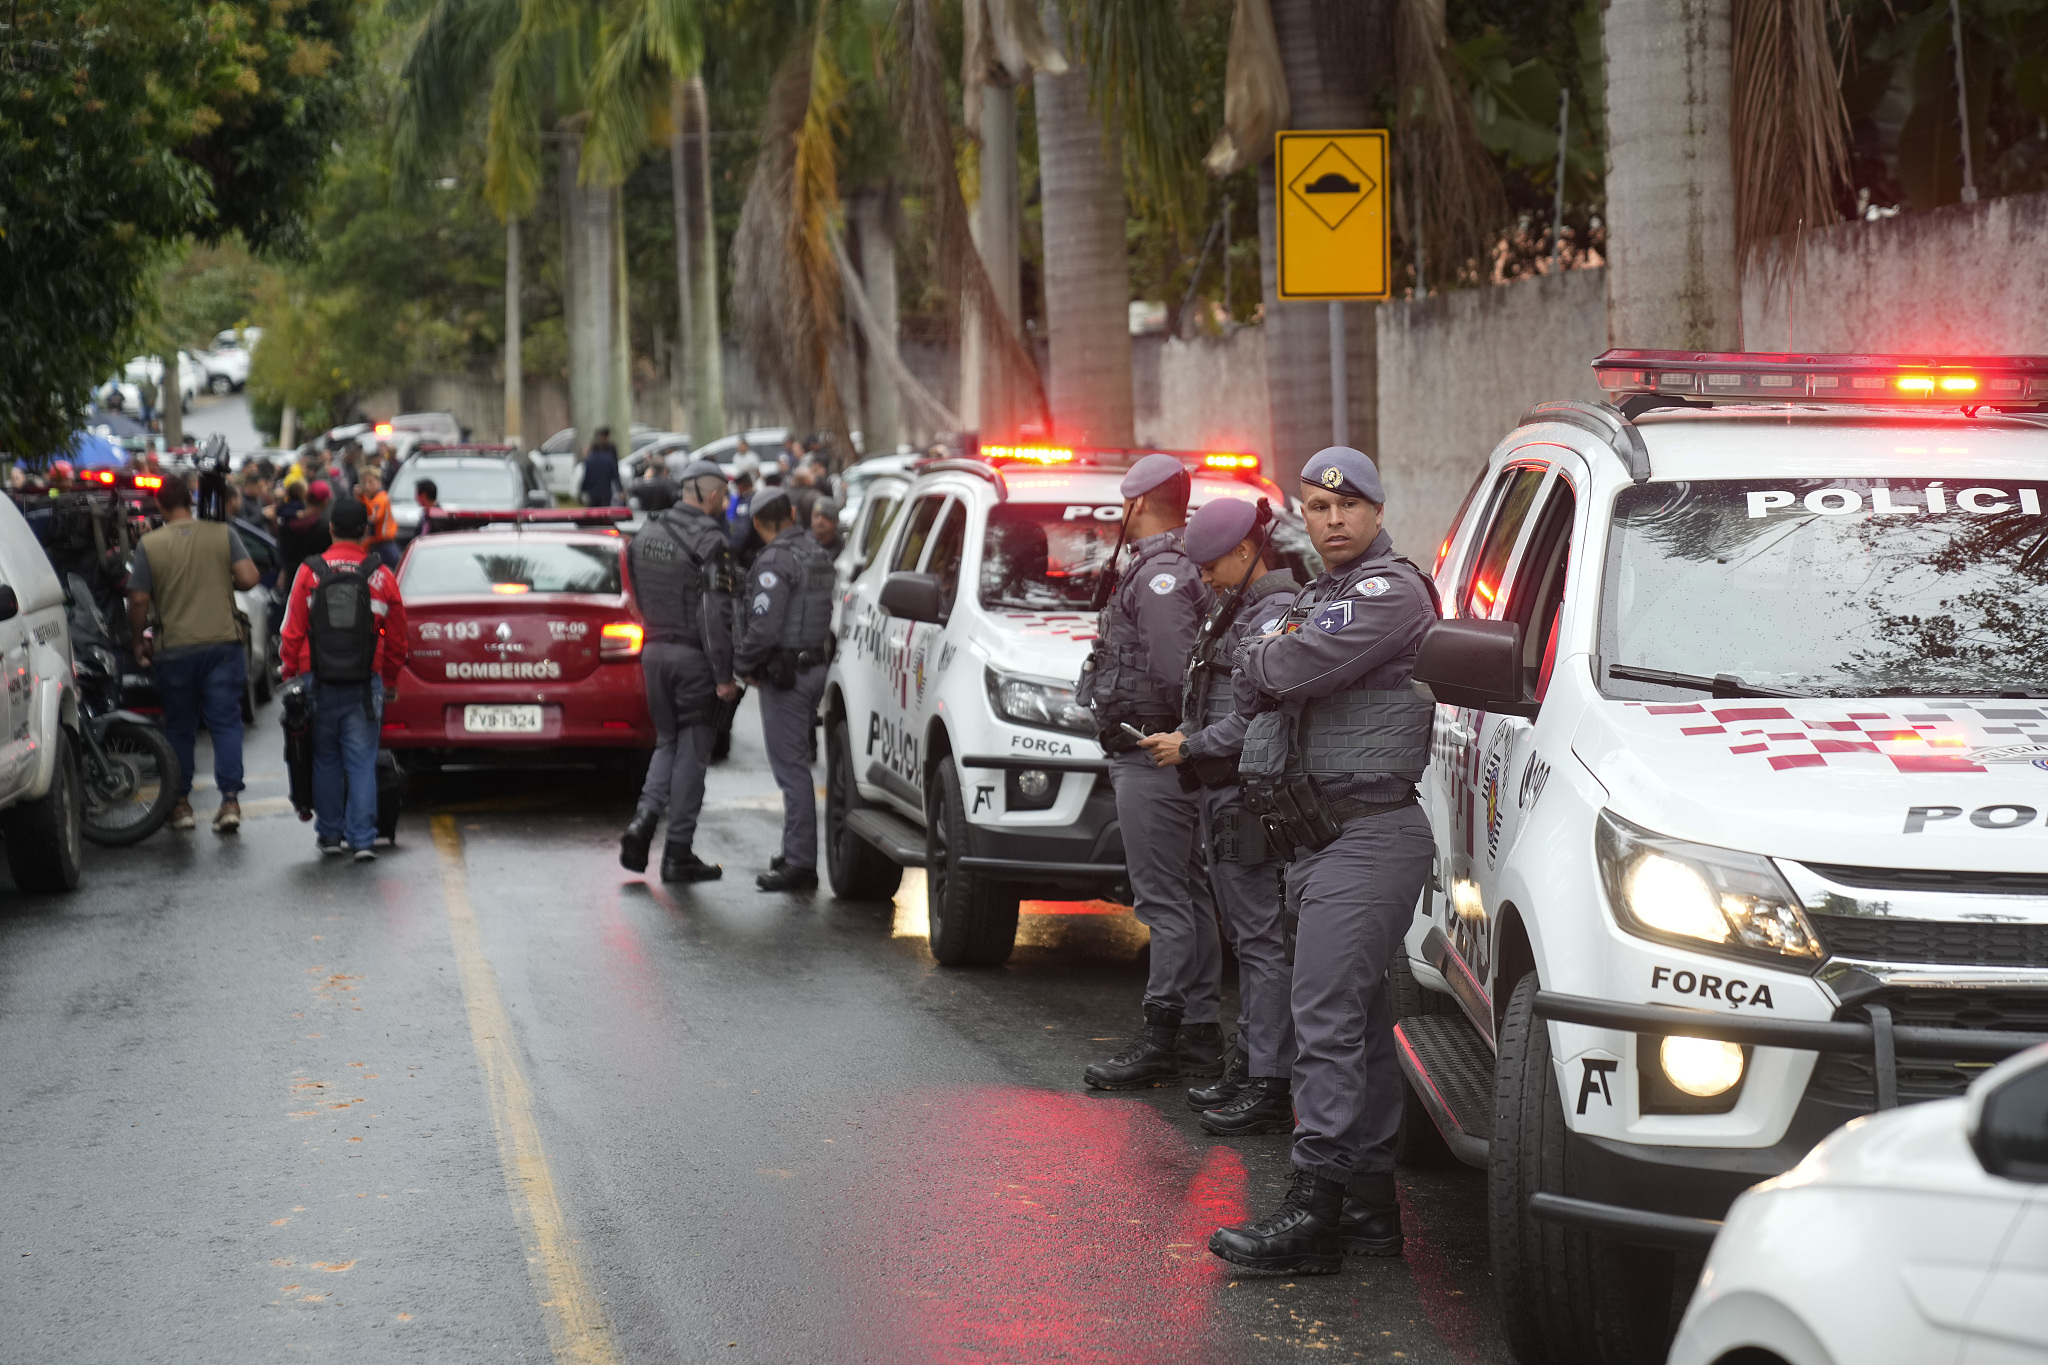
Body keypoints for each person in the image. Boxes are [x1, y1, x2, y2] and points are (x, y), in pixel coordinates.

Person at [1205, 447, 1438, 1275]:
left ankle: (1314, 1205)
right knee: (1358, 1026)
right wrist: (1270, 658)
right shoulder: (1312, 595)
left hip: (1370, 833)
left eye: (1348, 506)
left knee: (1324, 1022)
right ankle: (1369, 1212)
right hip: (1315, 842)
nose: (1333, 518)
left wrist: (1272, 657)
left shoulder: (1390, 590)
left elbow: (1287, 664)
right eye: (1316, 506)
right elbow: (1253, 668)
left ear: (1376, 510)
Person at [1137, 497, 1300, 1134]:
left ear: (1245, 551)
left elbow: (1262, 714)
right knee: (1249, 939)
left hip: (1248, 794)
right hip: (1226, 790)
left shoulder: (1275, 613)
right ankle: (1251, 1066)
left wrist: (1192, 744)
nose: (1200, 578)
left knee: (1261, 942)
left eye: (1209, 565)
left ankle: (1270, 1080)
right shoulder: (1237, 608)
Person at [1074, 452, 1223, 1089]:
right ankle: (1199, 1037)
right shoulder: (1180, 563)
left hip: (1153, 755)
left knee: (1165, 903)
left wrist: (1180, 739)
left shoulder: (1160, 573)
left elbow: (1175, 668)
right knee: (1189, 897)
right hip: (1167, 755)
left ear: (1136, 503)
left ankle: (1166, 1037)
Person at [618, 461, 737, 882]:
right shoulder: (711, 541)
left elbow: (632, 594)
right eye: (721, 495)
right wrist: (724, 675)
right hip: (693, 661)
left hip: (653, 654)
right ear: (708, 494)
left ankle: (643, 822)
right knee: (693, 752)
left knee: (666, 742)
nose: (723, 502)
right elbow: (714, 613)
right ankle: (678, 852)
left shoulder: (645, 533)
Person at [125, 476, 262, 833]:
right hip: (222, 644)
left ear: (160, 505)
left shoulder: (149, 545)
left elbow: (138, 598)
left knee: (181, 728)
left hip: (175, 650)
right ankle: (230, 800)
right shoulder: (222, 534)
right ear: (190, 500)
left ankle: (181, 805)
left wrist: (137, 639)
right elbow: (248, 578)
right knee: (226, 723)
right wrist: (221, 579)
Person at [277, 497, 409, 860]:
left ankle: (330, 835)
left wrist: (290, 671)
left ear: (331, 529)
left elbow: (291, 631)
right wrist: (392, 678)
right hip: (367, 684)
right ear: (365, 531)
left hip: (316, 680)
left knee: (325, 760)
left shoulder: (310, 572)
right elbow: (398, 637)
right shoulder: (381, 575)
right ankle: (363, 840)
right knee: (362, 761)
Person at [732, 491, 835, 891]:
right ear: (792, 514)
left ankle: (800, 863)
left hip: (787, 676)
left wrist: (741, 666)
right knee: (800, 765)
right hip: (815, 668)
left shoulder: (775, 561)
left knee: (791, 771)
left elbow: (763, 627)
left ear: (758, 524)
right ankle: (794, 848)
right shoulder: (816, 552)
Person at [277, 479, 333, 585]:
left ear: (306, 498)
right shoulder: (325, 528)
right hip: (318, 581)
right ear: (325, 502)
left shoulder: (288, 521)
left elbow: (283, 554)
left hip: (293, 581)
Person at [358, 467, 400, 568]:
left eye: (371, 482)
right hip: (381, 544)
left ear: (379, 482)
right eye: (365, 483)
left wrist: (362, 498)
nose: (367, 486)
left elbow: (373, 516)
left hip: (383, 546)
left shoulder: (380, 499)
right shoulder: (375, 498)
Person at [579, 427, 622, 508]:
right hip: (605, 490)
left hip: (594, 492)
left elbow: (586, 476)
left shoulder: (590, 460)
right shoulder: (608, 458)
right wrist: (619, 489)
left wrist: (582, 490)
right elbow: (615, 473)